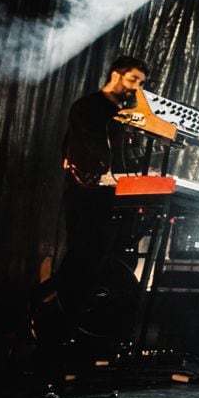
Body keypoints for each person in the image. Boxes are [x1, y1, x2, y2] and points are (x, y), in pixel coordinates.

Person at [56, 55, 150, 320]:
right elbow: (81, 148)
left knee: (112, 254)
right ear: (115, 74)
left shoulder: (128, 115)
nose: (136, 87)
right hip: (86, 191)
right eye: (133, 79)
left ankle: (96, 321)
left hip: (114, 194)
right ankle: (67, 315)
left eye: (141, 83)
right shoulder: (87, 107)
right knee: (83, 252)